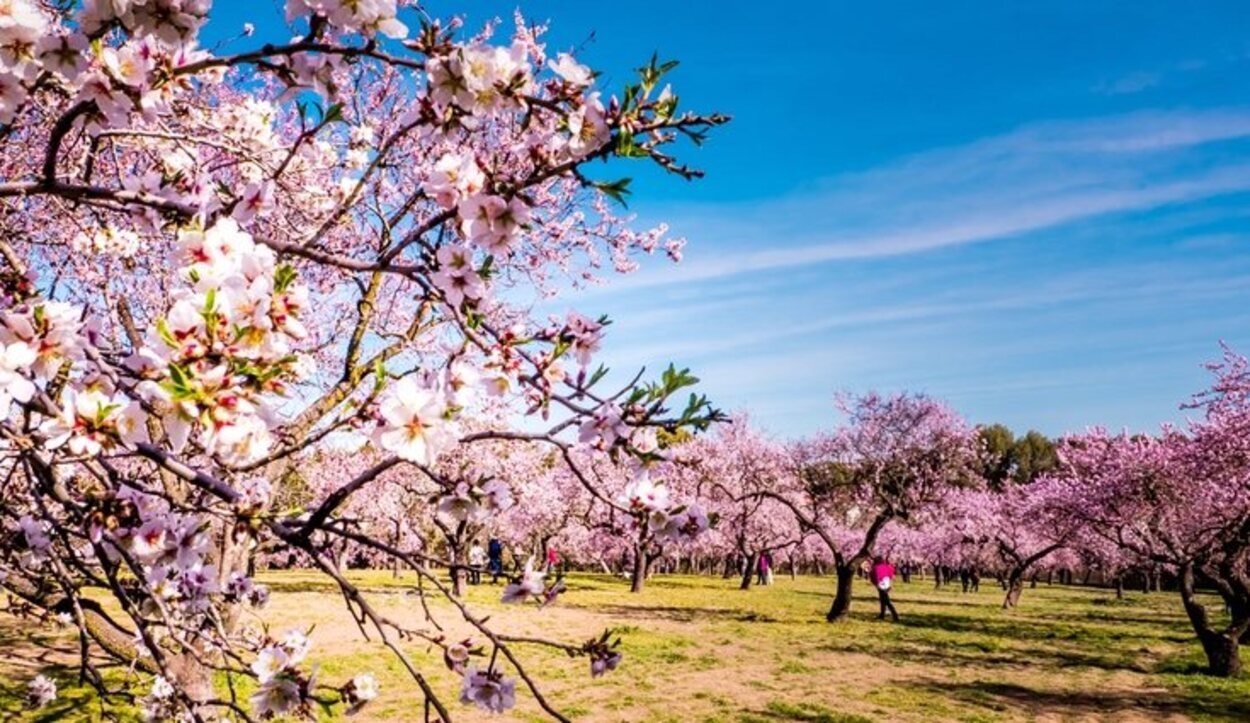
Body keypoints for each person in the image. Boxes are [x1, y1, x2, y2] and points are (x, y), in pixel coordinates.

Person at [870, 555, 899, 621]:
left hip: (881, 585)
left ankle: (895, 616)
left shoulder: (875, 568)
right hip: (887, 583)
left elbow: (875, 576)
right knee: (883, 600)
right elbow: (891, 573)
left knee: (887, 601)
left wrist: (876, 584)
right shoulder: (886, 566)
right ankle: (882, 615)